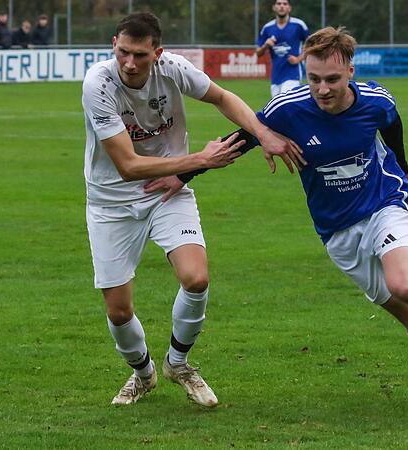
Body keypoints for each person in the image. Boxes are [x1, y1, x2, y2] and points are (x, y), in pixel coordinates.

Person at [251, 27, 408, 405]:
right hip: (337, 231)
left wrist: (404, 165)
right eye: (314, 78)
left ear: (350, 71)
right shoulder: (287, 109)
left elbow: (392, 124)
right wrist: (185, 172)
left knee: (405, 284)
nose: (322, 89)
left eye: (332, 79)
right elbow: (242, 136)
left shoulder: (375, 100)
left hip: (386, 202)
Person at [81, 12, 301, 407]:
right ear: (113, 45)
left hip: (167, 194)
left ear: (157, 53)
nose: (131, 64)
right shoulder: (98, 84)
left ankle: (178, 364)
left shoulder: (173, 68)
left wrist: (263, 134)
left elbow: (223, 97)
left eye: (141, 56)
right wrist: (198, 161)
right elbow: (128, 166)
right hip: (111, 202)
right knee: (118, 311)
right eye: (124, 53)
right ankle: (143, 373)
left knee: (196, 278)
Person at [256, 0, 309, 97]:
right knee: (278, 108)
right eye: (279, 4)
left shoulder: (299, 25)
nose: (282, 6)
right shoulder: (267, 28)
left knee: (287, 102)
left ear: (289, 8)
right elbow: (258, 53)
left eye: (285, 4)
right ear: (274, 7)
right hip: (276, 75)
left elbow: (312, 45)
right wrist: (266, 45)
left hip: (293, 73)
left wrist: (298, 59)